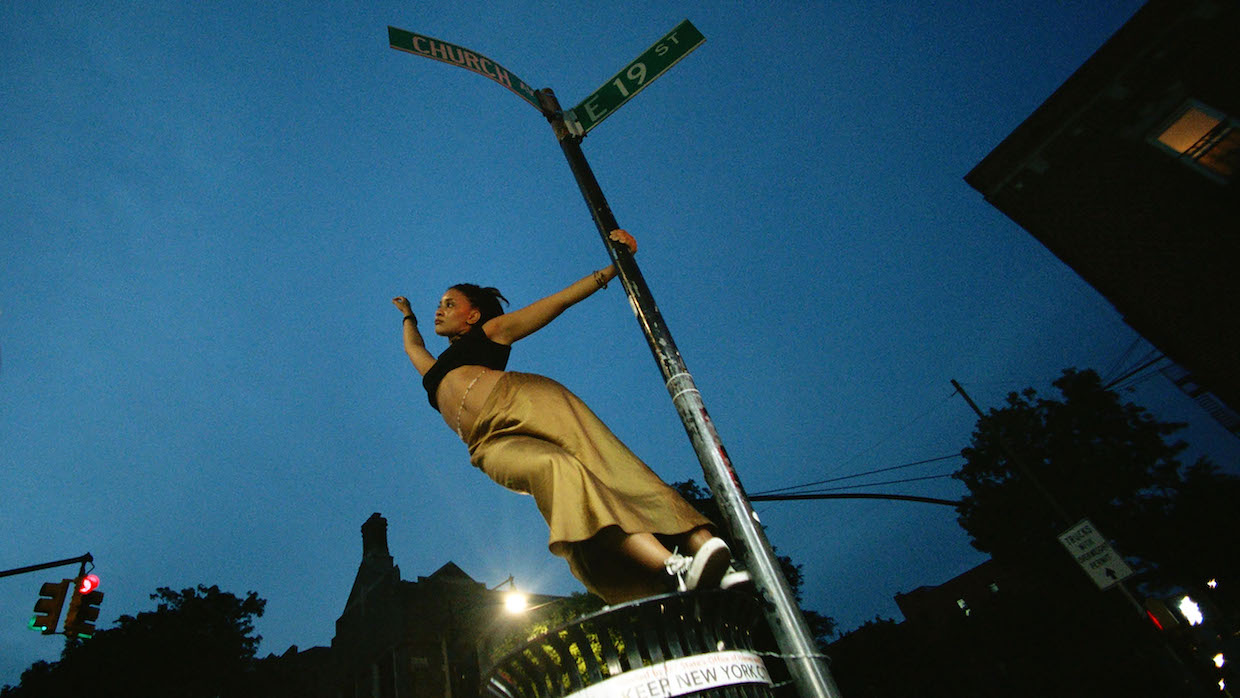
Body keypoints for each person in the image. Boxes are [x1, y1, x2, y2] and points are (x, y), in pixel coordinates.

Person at [392, 229, 744, 604]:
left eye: (449, 303)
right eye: (438, 304)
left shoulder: (492, 332)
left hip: (523, 400)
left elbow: (557, 302)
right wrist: (408, 316)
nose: (439, 309)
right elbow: (414, 346)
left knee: (610, 464)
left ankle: (699, 549)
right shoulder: (432, 370)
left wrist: (615, 268)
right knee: (556, 469)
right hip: (488, 442)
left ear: (473, 315)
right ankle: (666, 567)